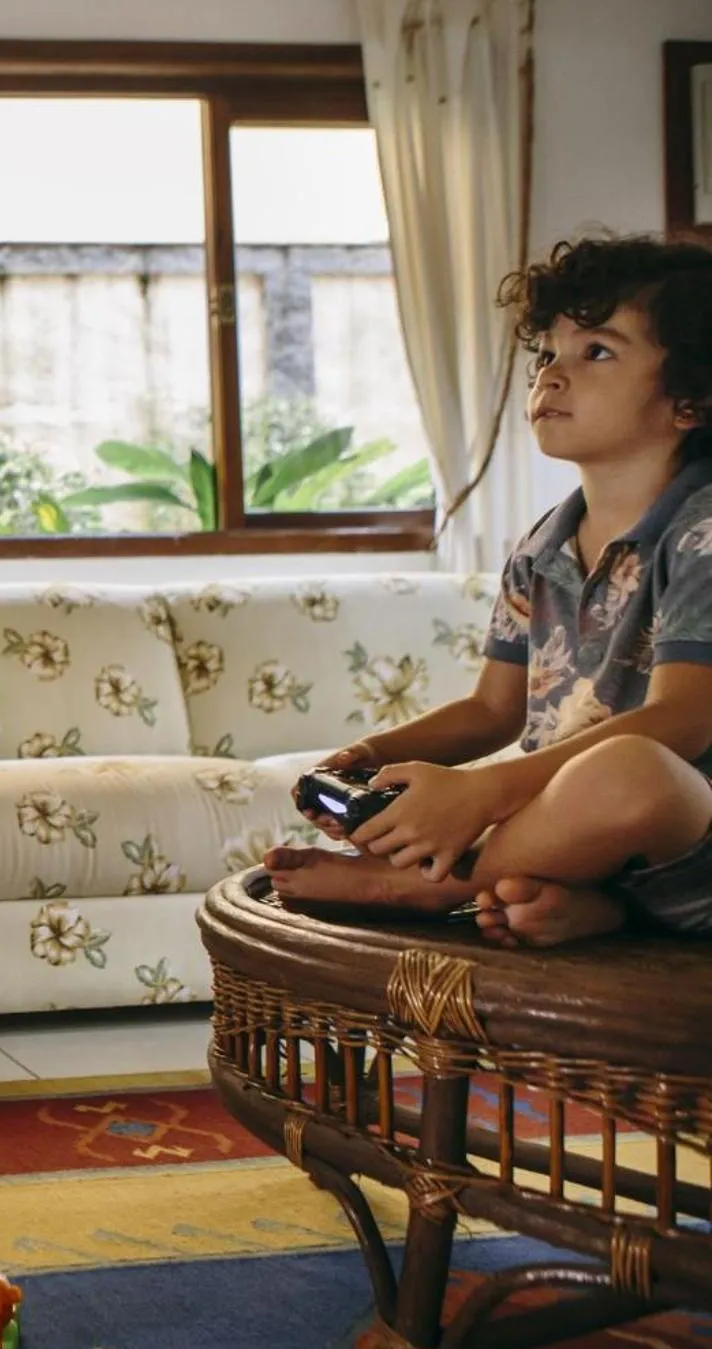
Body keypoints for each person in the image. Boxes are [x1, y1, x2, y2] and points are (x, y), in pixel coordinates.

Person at [266, 234, 712, 949]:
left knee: (632, 771)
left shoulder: (702, 531)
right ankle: (590, 903)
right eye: (547, 354)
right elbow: (492, 710)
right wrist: (372, 754)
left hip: (692, 845)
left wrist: (481, 794)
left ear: (690, 399)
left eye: (596, 352)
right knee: (570, 815)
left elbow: (685, 721)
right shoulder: (541, 547)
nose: (553, 376)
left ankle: (436, 885)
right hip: (583, 841)